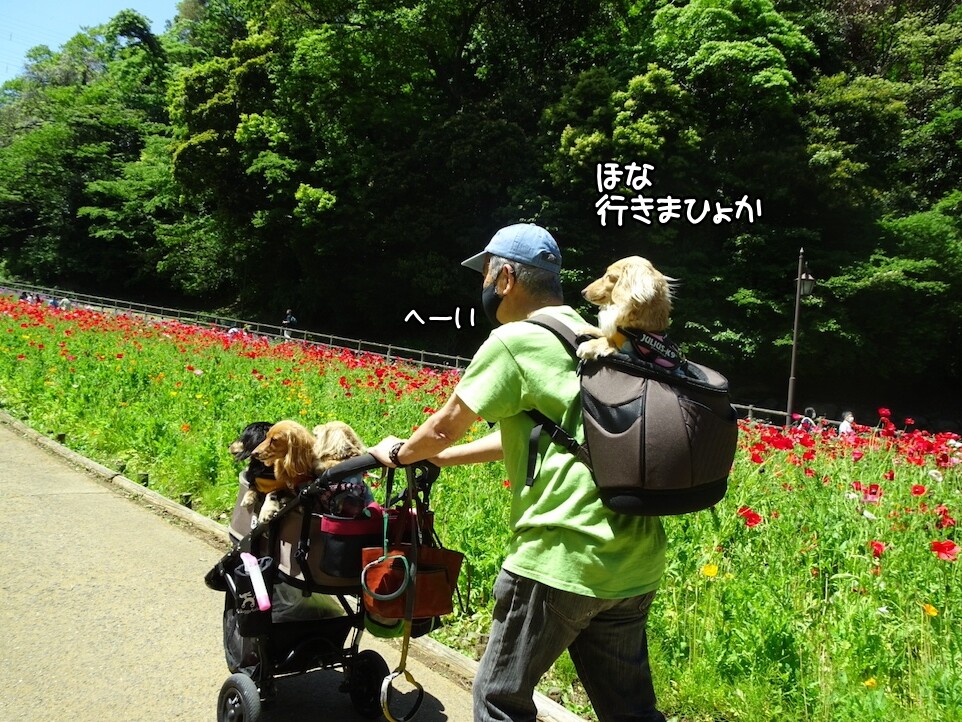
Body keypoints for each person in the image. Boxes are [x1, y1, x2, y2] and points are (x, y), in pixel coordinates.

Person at [369, 223, 668, 722]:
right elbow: (544, 433)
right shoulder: (596, 336)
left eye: (486, 274)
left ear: (505, 278)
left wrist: (399, 453)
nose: (484, 285)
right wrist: (441, 458)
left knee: (499, 701)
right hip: (634, 560)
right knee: (631, 712)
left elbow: (444, 426)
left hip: (561, 555)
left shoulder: (516, 340)